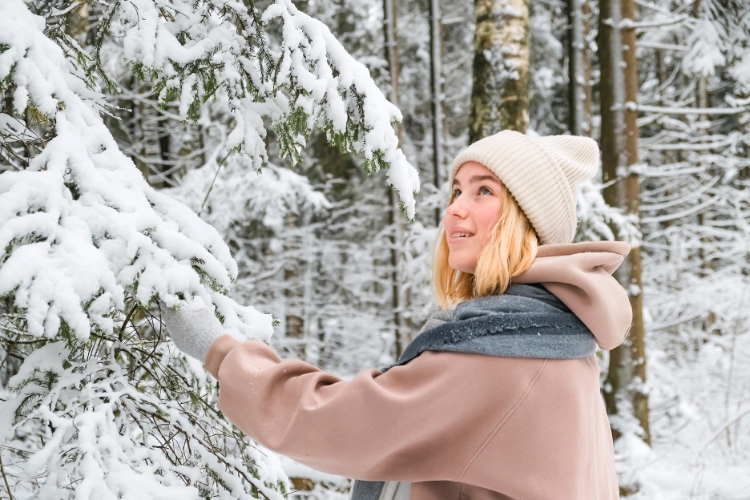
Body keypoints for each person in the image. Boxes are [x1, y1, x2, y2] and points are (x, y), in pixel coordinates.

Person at [163, 130, 632, 500]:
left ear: (525, 221)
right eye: (456, 191)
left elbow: (335, 424)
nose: (455, 210)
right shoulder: (563, 341)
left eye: (483, 191)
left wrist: (218, 349)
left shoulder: (501, 353)